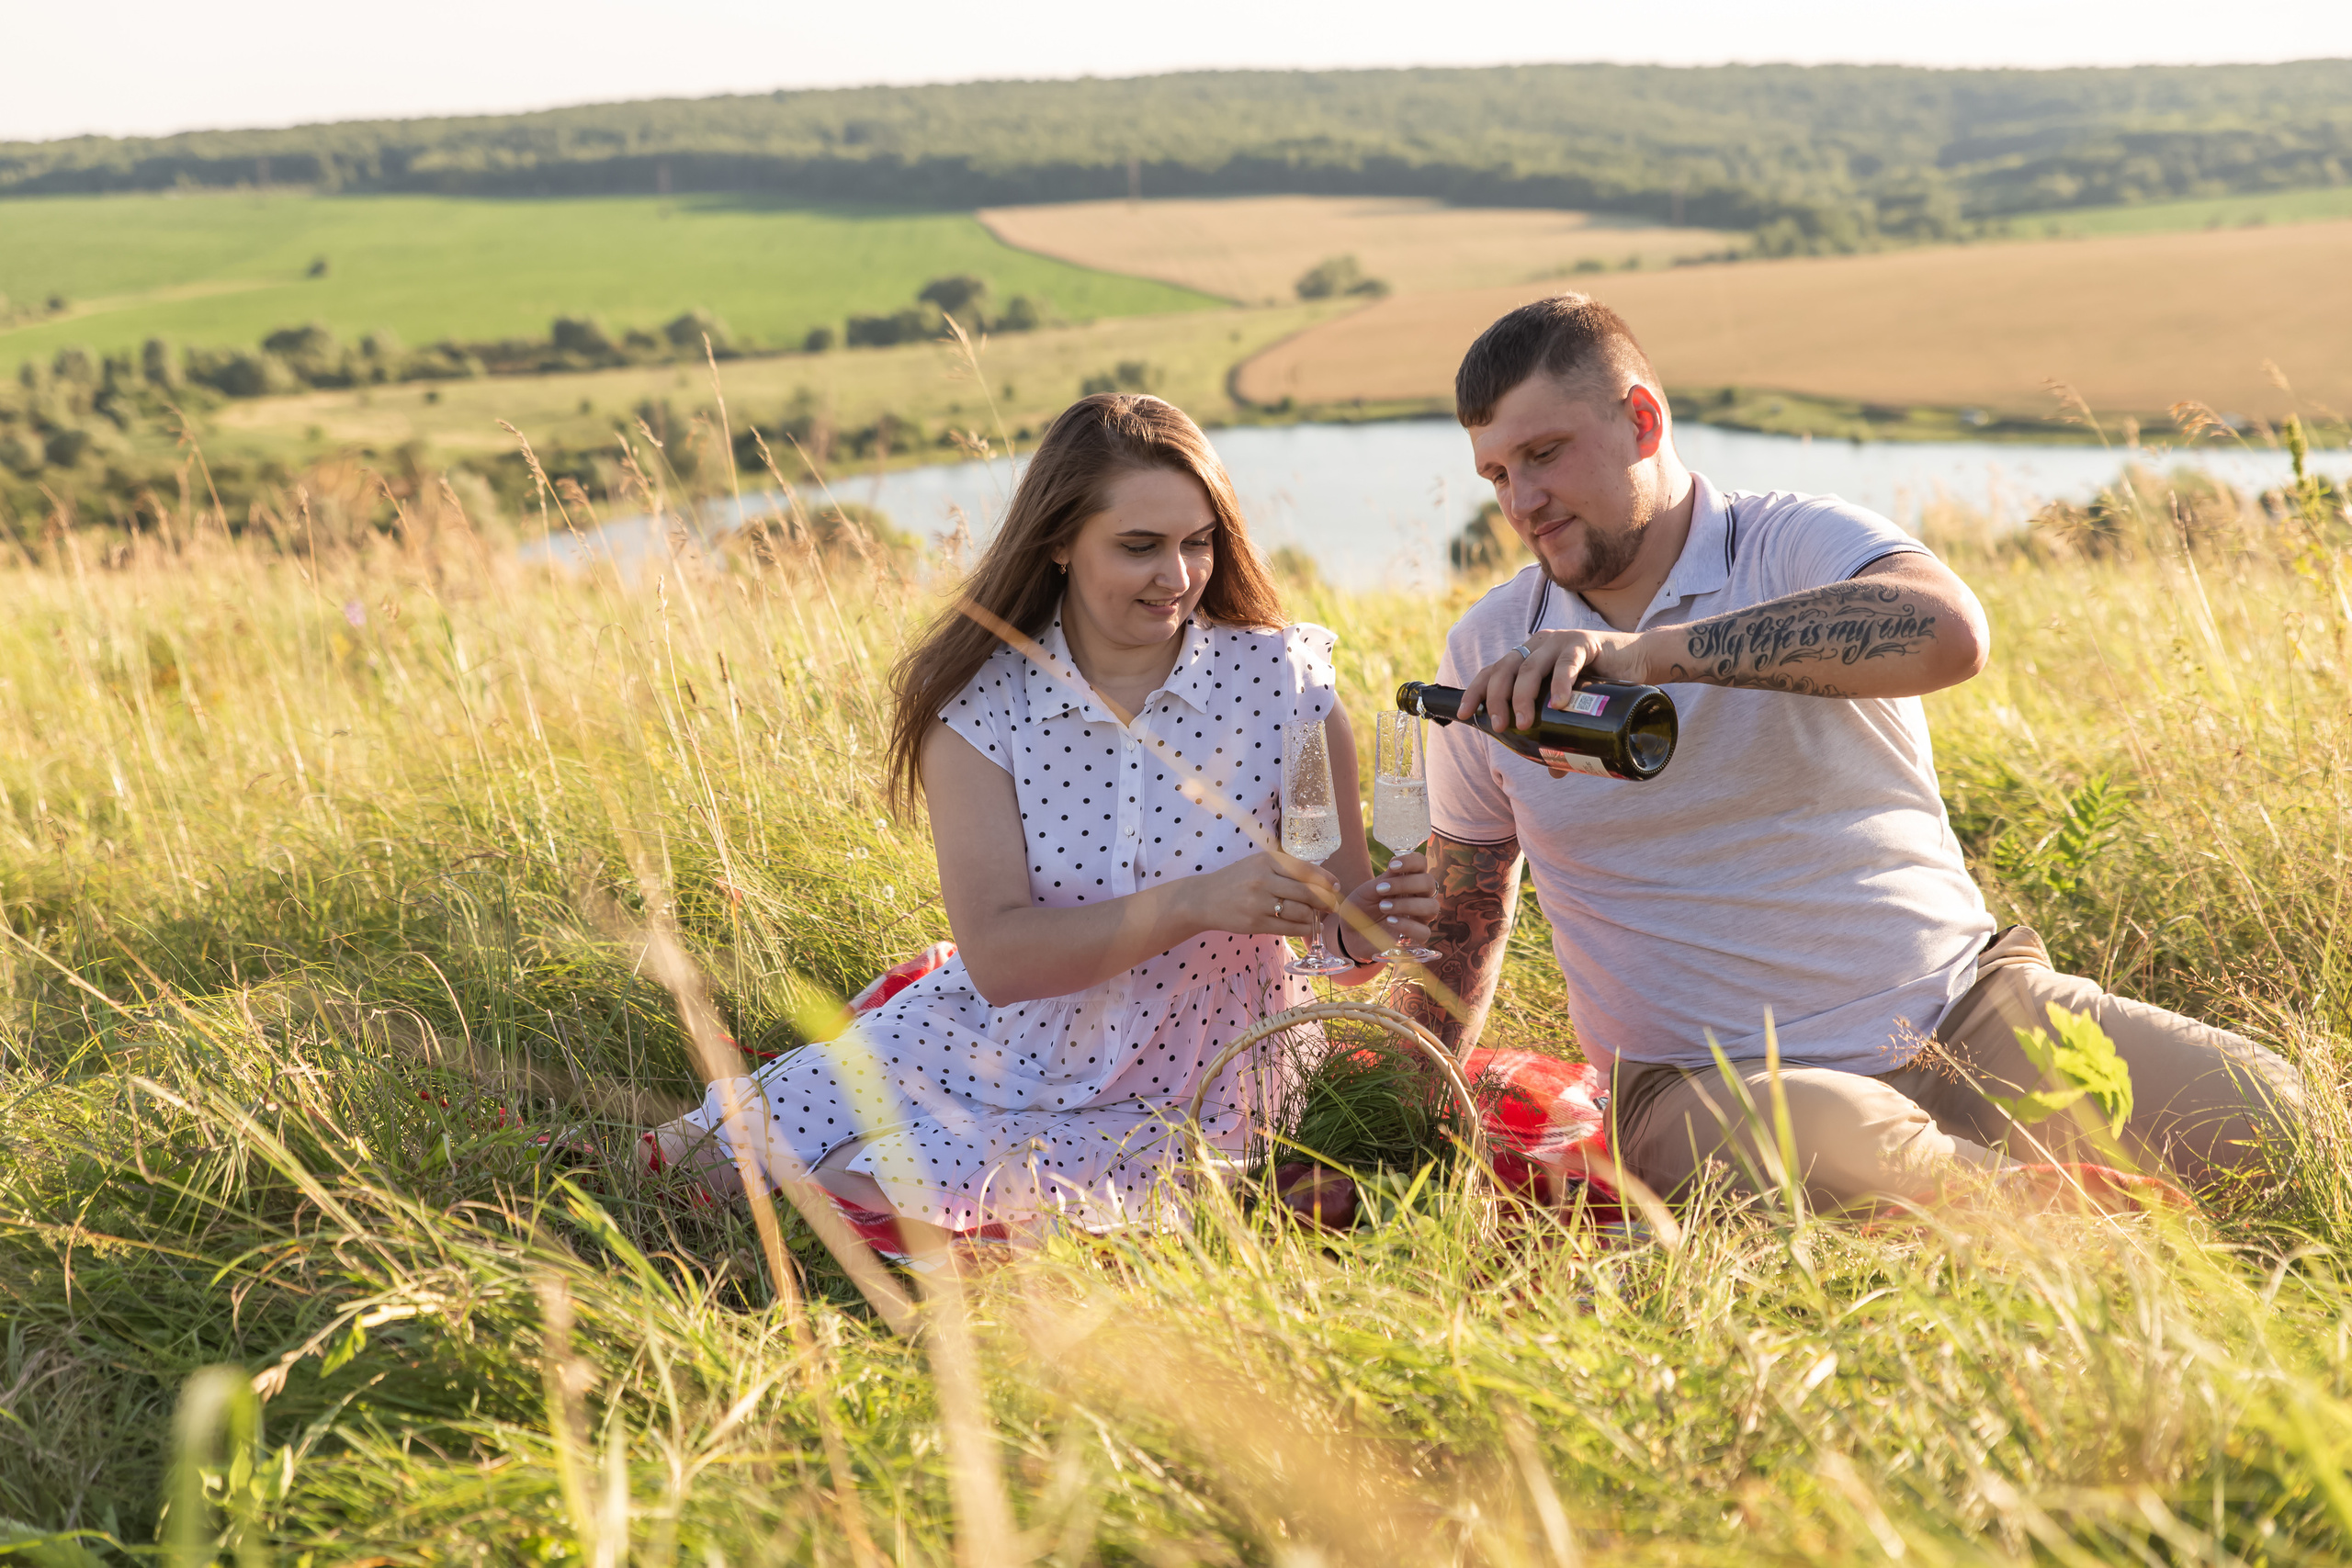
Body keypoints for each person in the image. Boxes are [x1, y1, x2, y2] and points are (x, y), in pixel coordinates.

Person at [1401, 293, 2304, 1212]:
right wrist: (1388, 1121)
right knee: (1850, 1146)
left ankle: (2050, 1206)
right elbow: (1459, 923)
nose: (1521, 501)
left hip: (1970, 1012)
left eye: (1543, 454)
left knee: (2269, 1114)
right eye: (1496, 476)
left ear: (1642, 420)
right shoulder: (1490, 653)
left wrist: (1641, 660)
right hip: (1716, 1086)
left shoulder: (1794, 542)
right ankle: (2070, 1225)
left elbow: (1947, 634)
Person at [642, 393, 1436, 1250]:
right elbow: (1001, 960)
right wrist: (1198, 900)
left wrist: (1375, 925)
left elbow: (1340, 933)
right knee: (702, 1165)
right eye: (1139, 546)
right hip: (999, 1029)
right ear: (1058, 541)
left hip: (1194, 1068)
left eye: (1198, 541)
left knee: (871, 1192)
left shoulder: (1285, 684)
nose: (1178, 576)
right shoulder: (982, 704)